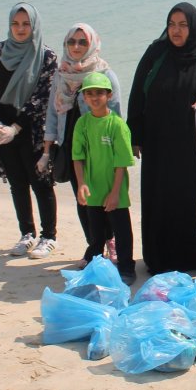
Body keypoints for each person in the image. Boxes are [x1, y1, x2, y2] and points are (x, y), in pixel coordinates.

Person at [126, 3, 196, 275]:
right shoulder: (155, 55)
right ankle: (162, 258)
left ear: (195, 27)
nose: (176, 30)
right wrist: (135, 135)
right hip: (160, 146)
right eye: (172, 24)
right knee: (164, 199)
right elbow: (137, 96)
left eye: (183, 25)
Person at [0, 2, 59, 259]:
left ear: (34, 25)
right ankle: (27, 233)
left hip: (34, 129)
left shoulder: (46, 56)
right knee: (16, 183)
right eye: (15, 23)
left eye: (26, 24)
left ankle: (48, 236)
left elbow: (43, 96)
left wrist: (17, 127)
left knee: (41, 182)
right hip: (3, 129)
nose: (20, 29)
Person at [42, 23, 121, 269]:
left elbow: (116, 117)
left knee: (105, 198)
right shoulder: (61, 74)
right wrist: (47, 150)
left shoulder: (105, 74)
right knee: (83, 199)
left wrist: (116, 152)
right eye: (71, 42)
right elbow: (53, 113)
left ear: (92, 44)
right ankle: (94, 245)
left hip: (101, 148)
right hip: (71, 147)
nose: (76, 47)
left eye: (82, 42)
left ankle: (110, 240)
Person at [72, 72, 137, 285]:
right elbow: (77, 157)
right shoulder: (82, 123)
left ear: (109, 95)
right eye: (89, 94)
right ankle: (96, 268)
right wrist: (81, 184)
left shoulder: (117, 124)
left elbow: (122, 162)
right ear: (84, 97)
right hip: (93, 189)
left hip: (114, 190)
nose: (94, 97)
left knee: (122, 232)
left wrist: (115, 192)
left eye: (99, 93)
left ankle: (127, 267)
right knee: (96, 235)